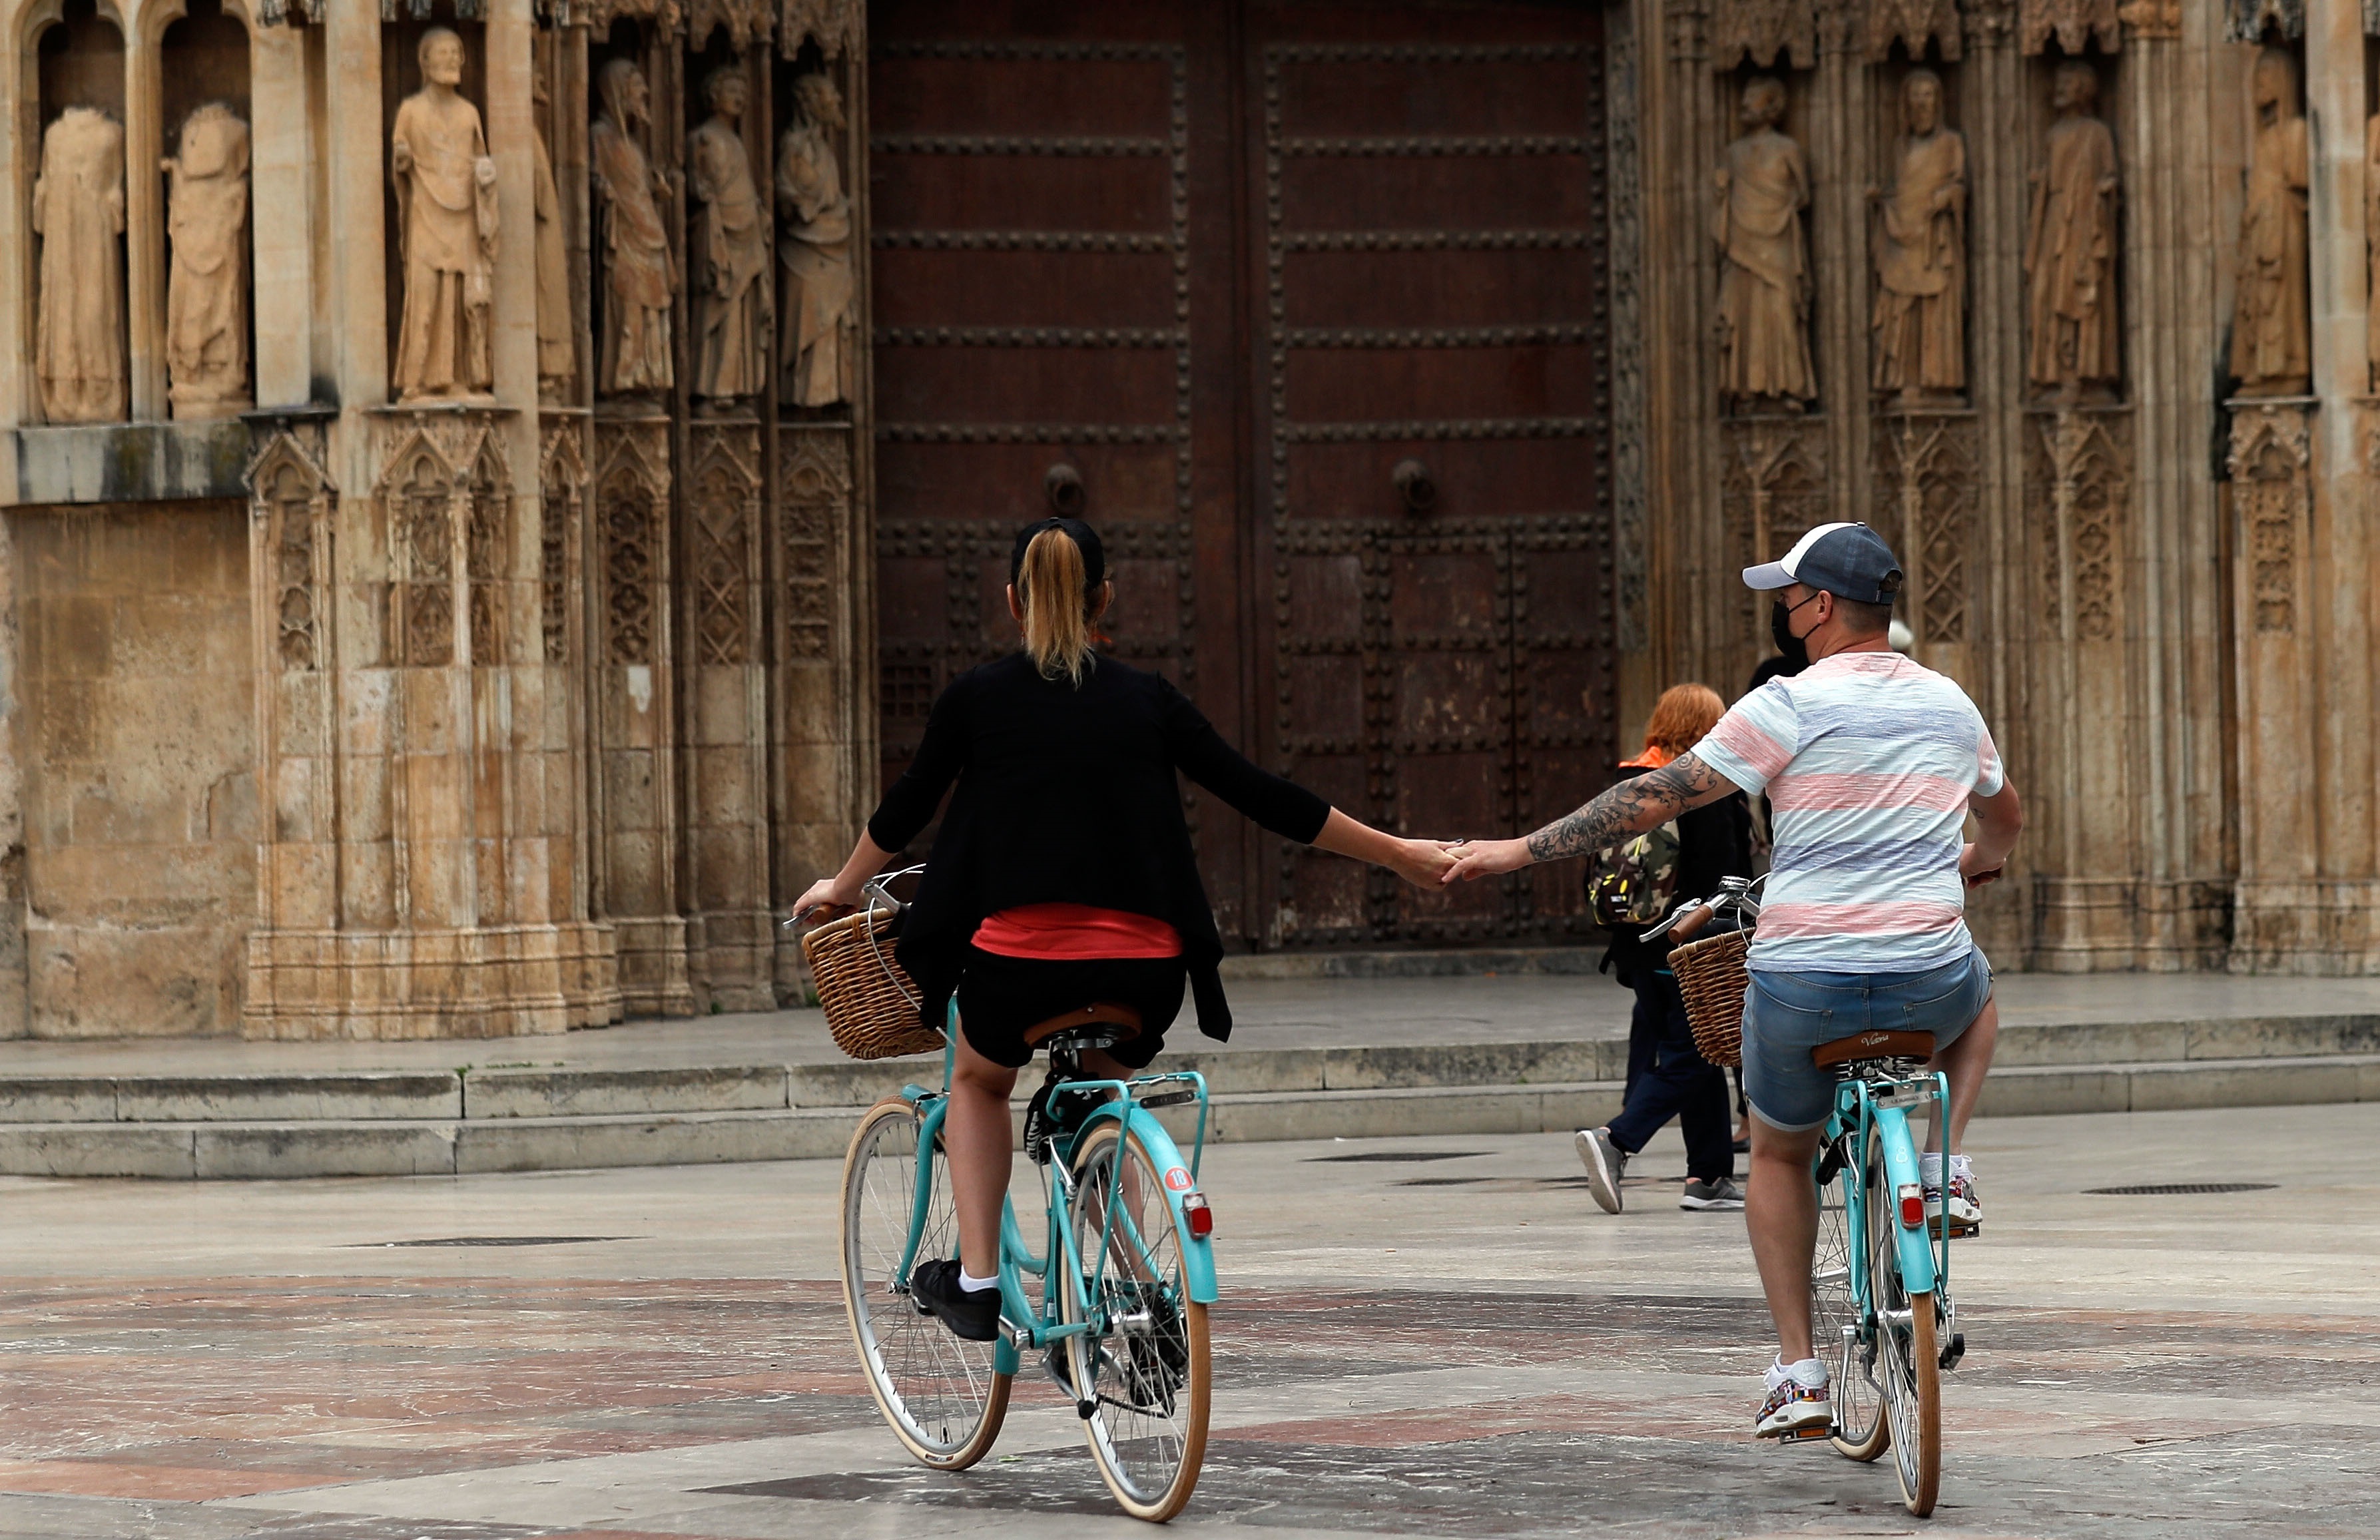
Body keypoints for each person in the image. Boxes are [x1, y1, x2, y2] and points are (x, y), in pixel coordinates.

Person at [796, 517, 1454, 1342]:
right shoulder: (1148, 699)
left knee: (980, 1082)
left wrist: (840, 886)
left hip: (1019, 970)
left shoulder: (976, 697)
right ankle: (1144, 1299)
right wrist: (1398, 853)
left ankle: (976, 1280)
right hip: (1144, 973)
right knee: (1097, 1099)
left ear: (1012, 600)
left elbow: (904, 810)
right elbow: (1262, 794)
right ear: (1104, 599)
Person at [1443, 521, 2021, 1441]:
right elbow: (2004, 817)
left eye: (1787, 598)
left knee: (1782, 1153)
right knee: (1978, 1001)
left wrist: (1513, 850)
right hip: (1926, 973)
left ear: (1821, 606)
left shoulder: (1785, 704)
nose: (1783, 613)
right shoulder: (1950, 703)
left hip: (1803, 983)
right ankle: (1944, 1165)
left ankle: (1799, 1374)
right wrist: (1976, 862)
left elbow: (1653, 796)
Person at [1575, 685, 1753, 1215]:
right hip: (1692, 951)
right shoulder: (1708, 788)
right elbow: (1729, 877)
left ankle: (1709, 1176)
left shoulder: (1630, 782)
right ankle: (1616, 1140)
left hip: (1635, 948)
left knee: (1696, 1051)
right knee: (1694, 1056)